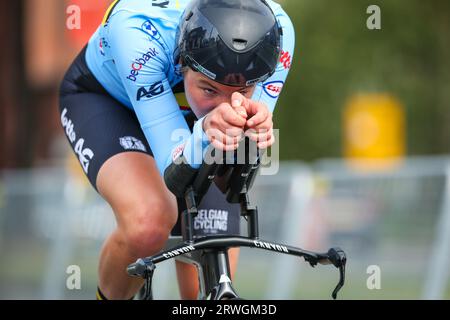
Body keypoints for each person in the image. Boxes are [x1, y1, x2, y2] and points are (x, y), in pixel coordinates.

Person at [59, 0, 295, 300]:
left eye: (242, 91)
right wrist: (207, 132)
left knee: (215, 232)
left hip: (189, 112)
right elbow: (176, 169)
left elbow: (238, 164)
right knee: (149, 222)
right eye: (210, 88)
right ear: (181, 60)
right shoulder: (136, 30)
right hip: (108, 104)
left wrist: (252, 130)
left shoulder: (278, 29)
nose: (227, 103)